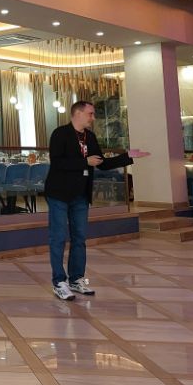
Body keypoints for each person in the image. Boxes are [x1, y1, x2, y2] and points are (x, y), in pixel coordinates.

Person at [46, 101, 150, 301]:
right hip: (59, 194)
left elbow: (102, 164)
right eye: (90, 114)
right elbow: (57, 162)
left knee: (79, 238)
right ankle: (59, 282)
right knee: (58, 238)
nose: (93, 118)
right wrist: (84, 162)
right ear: (78, 113)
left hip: (81, 195)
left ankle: (76, 279)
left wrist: (128, 156)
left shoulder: (90, 137)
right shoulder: (60, 134)